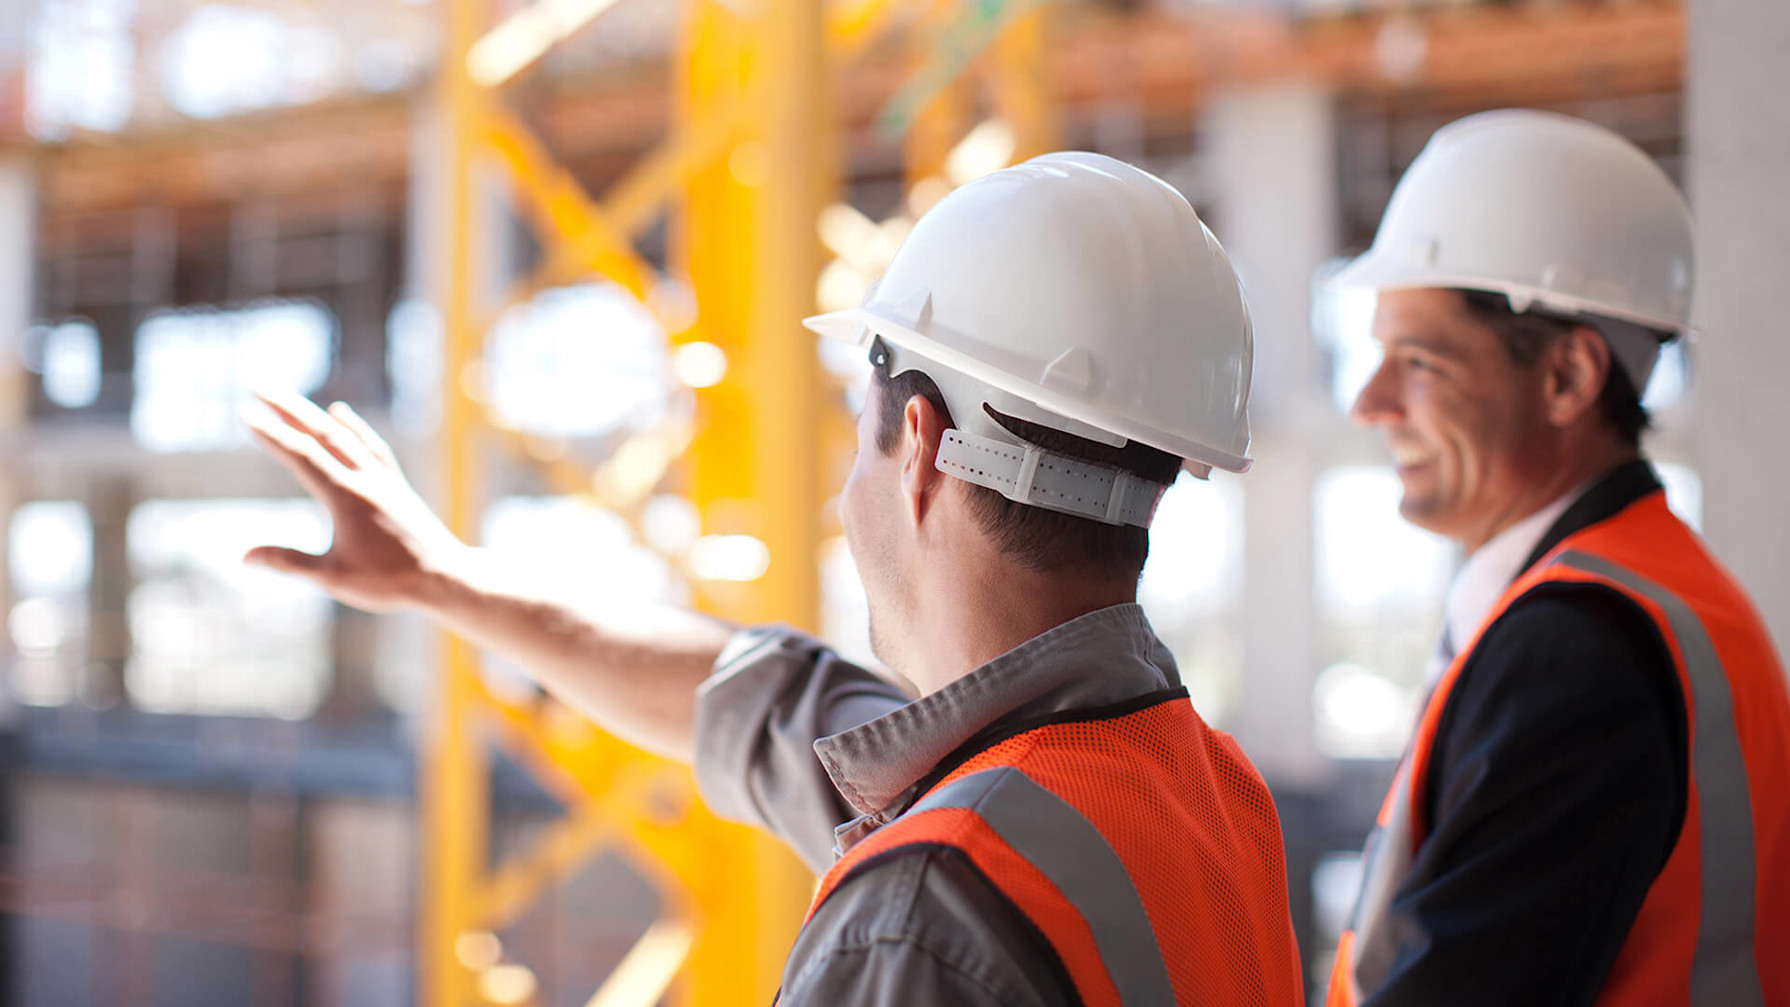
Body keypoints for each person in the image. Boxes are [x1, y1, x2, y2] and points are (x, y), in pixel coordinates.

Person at [246, 152, 1304, 1005]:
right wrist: (450, 581)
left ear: (921, 445)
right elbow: (768, 699)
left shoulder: (926, 908)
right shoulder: (1197, 784)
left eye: (859, 437)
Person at [1322, 110, 1790, 1007]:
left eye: (1417, 361)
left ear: (1569, 378)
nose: (1369, 402)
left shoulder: (1575, 654)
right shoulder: (1661, 593)